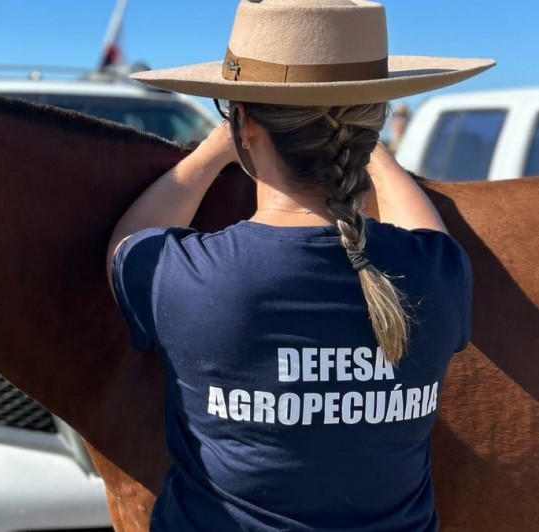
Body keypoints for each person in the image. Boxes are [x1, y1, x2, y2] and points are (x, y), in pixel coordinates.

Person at [107, 1, 494, 530]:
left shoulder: (191, 276)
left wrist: (214, 150)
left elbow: (127, 243)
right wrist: (363, 145)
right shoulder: (438, 272)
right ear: (374, 119)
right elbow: (426, 234)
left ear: (245, 124)